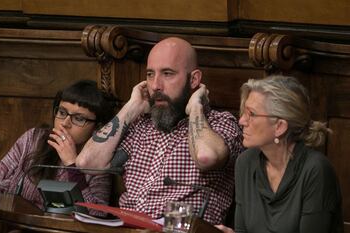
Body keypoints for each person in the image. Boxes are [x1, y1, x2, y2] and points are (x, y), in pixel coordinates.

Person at [76, 37, 244, 224]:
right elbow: (87, 163)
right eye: (149, 74)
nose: (155, 85)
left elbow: (206, 158)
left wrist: (196, 107)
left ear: (194, 79)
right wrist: (131, 108)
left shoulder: (221, 123)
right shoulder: (141, 126)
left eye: (167, 73)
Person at [215, 75, 343, 233]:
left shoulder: (315, 170)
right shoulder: (245, 162)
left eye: (252, 114)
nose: (241, 121)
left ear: (280, 127)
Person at [0, 80, 116, 216]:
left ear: (98, 128)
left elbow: (97, 215)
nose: (64, 123)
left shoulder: (100, 163)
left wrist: (72, 165)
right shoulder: (34, 138)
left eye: (79, 118)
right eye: (62, 112)